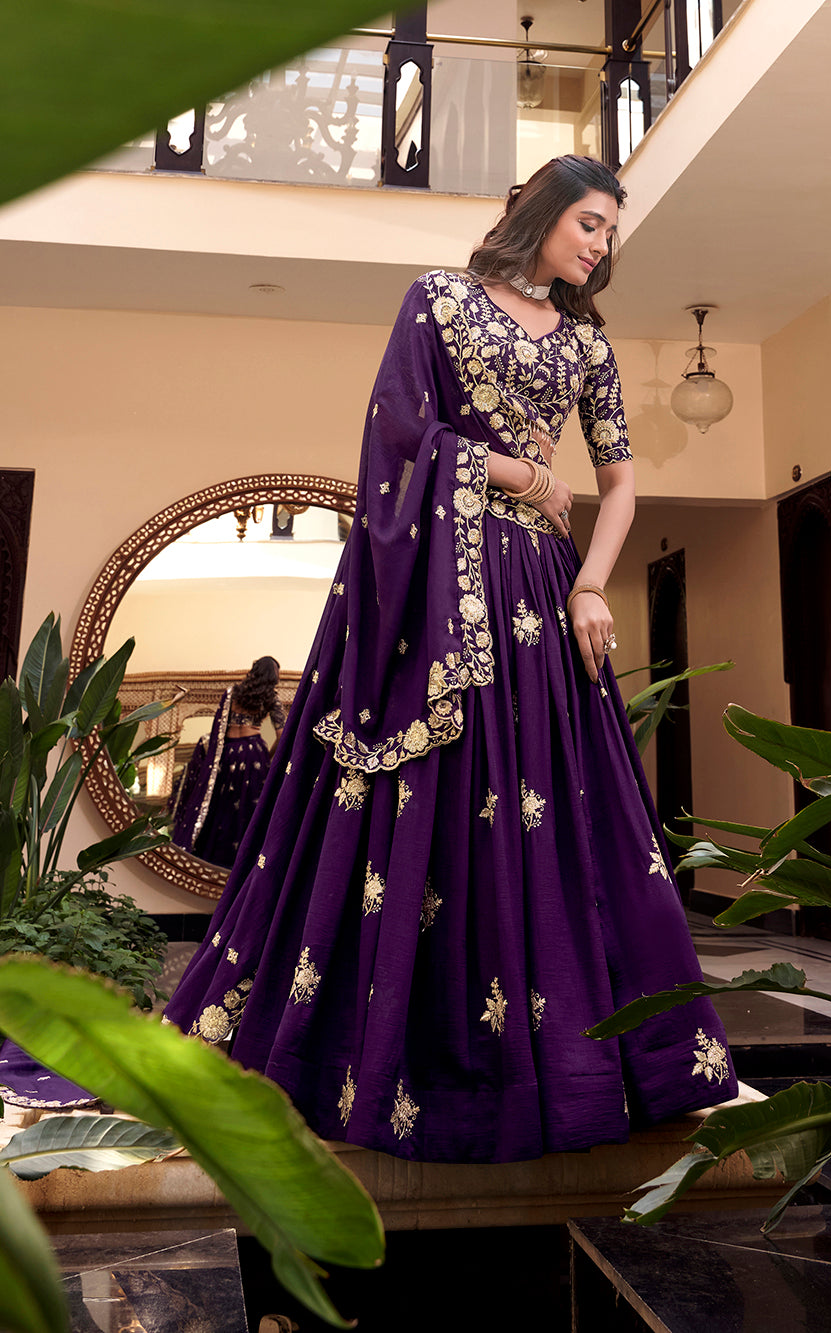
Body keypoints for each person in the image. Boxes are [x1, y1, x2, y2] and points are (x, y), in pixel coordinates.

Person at [165, 155, 738, 1163]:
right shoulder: (436, 300)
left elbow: (620, 485)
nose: (601, 245)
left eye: (611, 232)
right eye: (590, 223)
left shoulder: (587, 344)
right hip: (430, 585)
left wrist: (592, 584)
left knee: (548, 800)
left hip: (537, 593)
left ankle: (567, 1063)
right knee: (429, 793)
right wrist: (507, 467)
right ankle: (384, 1051)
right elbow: (396, 439)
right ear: (544, 212)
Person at [171, 656, 285, 869]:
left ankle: (210, 863)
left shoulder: (232, 692)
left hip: (227, 754)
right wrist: (268, 757)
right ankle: (244, 865)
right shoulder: (271, 698)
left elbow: (219, 729)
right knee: (249, 809)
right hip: (253, 754)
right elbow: (282, 735)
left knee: (221, 806)